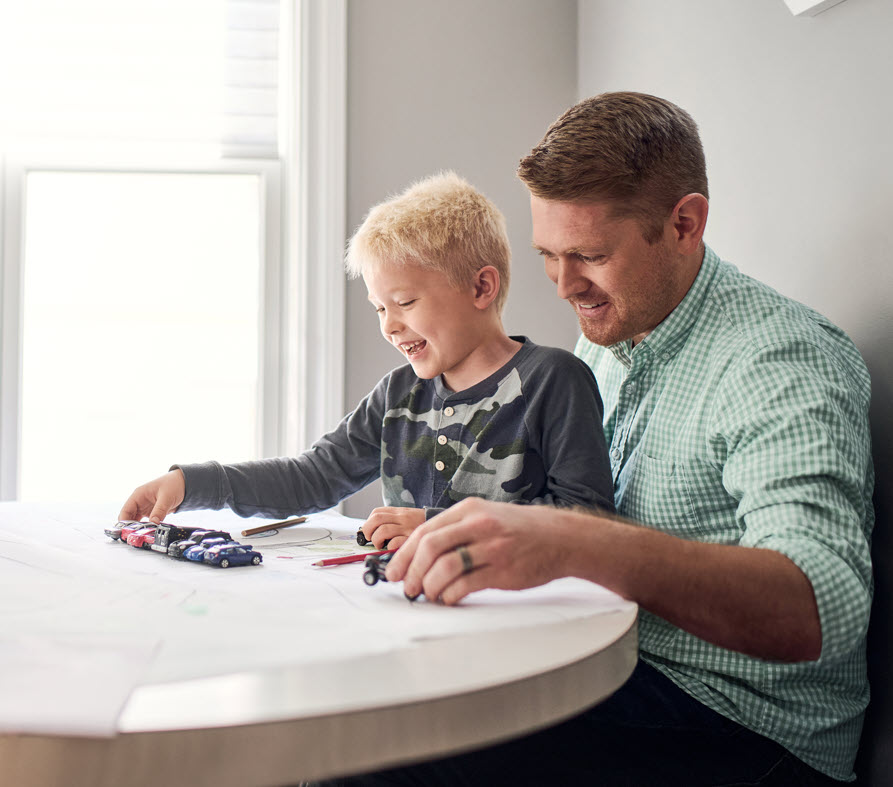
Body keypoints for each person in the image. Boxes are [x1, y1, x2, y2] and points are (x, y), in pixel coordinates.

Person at [334, 93, 874, 785]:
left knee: (377, 749)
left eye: (588, 255)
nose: (563, 286)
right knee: (369, 692)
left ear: (683, 223)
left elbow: (818, 609)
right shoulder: (605, 341)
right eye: (548, 255)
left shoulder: (778, 359)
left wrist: (571, 540)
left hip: (741, 727)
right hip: (609, 666)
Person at [119, 171, 615, 550]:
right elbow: (313, 476)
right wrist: (194, 482)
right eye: (380, 308)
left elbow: (588, 519)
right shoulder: (397, 396)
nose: (389, 326)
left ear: (481, 287)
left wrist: (436, 526)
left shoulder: (554, 380)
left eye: (405, 303)